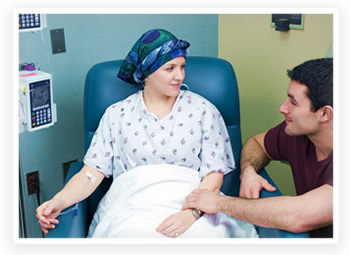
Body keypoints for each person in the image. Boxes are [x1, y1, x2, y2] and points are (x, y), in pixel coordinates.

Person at [36, 29, 237, 238]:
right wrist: (58, 201)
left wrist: (191, 214)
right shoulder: (117, 115)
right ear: (147, 73)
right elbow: (91, 174)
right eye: (170, 68)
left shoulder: (203, 110)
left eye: (182, 67)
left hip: (193, 205)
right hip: (133, 208)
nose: (180, 76)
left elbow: (214, 173)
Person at [183, 58, 333, 238]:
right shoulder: (299, 134)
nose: (282, 108)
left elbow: (297, 216)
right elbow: (257, 143)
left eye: (293, 102)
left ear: (324, 113)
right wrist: (248, 170)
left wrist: (219, 203)